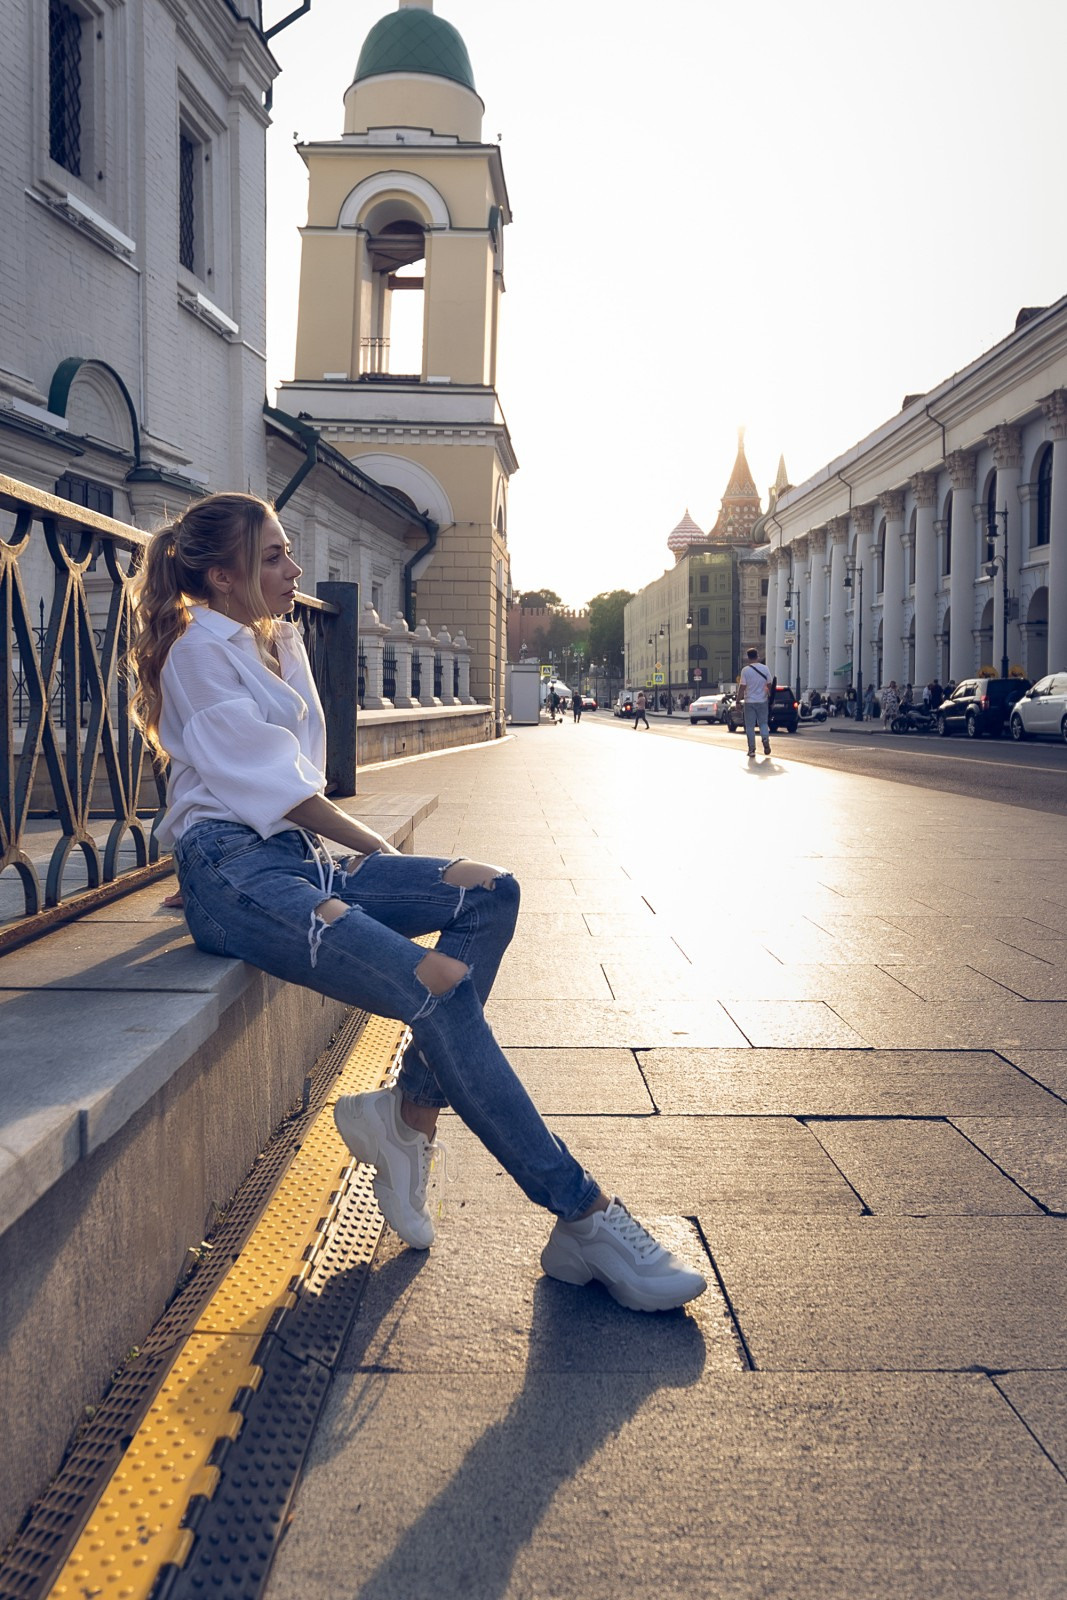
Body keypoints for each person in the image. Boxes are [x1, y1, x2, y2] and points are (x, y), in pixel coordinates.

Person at [128, 493, 704, 1314]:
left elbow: (305, 775)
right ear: (219, 575)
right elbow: (285, 790)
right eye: (272, 558)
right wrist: (384, 858)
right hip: (236, 878)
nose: (293, 569)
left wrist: (375, 865)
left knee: (487, 887)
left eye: (288, 552)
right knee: (439, 984)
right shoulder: (197, 654)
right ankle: (582, 1215)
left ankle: (407, 1117)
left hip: (298, 862)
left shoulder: (269, 642)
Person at [735, 647, 773, 757]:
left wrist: (737, 701)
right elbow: (770, 684)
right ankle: (765, 739)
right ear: (758, 656)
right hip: (763, 701)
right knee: (763, 723)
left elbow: (742, 687)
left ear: (748, 658)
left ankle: (751, 749)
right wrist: (771, 698)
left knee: (750, 726)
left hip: (749, 702)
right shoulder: (765, 669)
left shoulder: (745, 670)